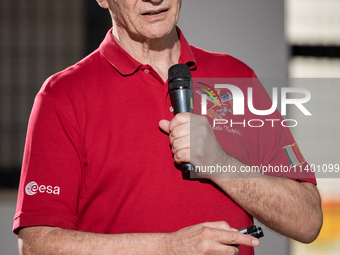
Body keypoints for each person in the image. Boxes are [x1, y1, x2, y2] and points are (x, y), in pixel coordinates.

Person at [13, 0, 322, 254]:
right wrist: (169, 246)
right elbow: (37, 245)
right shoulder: (63, 95)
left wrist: (220, 163)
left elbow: (308, 222)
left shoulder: (236, 76)